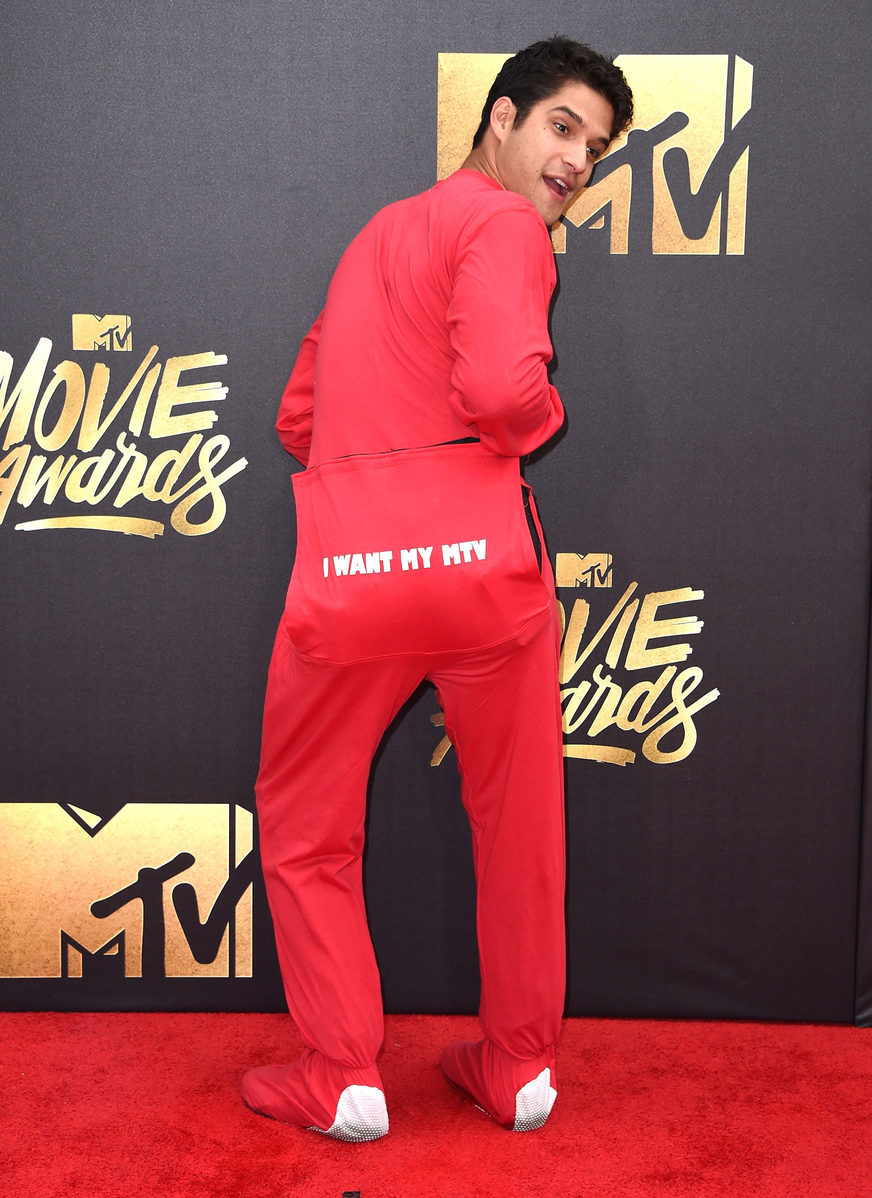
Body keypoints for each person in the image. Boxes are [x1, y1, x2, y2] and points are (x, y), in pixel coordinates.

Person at [242, 37, 634, 1141]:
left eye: (594, 150)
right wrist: (539, 421)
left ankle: (343, 1072)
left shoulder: (377, 235)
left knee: (309, 829)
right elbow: (508, 393)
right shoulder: (508, 225)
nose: (575, 164)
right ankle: (517, 1067)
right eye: (563, 128)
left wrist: (379, 458)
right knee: (518, 827)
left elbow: (296, 417)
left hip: (355, 583)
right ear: (499, 117)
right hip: (485, 586)